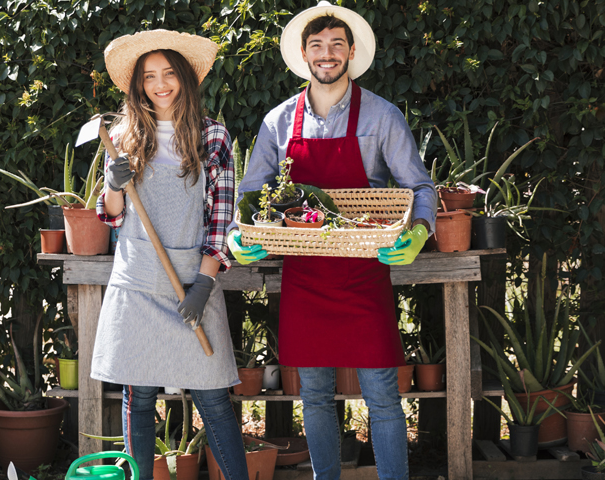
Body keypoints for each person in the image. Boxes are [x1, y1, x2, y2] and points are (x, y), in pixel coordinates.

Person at [227, 3, 437, 479]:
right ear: (304, 55)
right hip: (304, 276)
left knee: (383, 396)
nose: (327, 54)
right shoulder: (278, 123)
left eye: (336, 45)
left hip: (366, 271)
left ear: (351, 52)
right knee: (315, 397)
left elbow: (420, 187)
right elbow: (250, 195)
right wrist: (242, 236)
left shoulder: (383, 115)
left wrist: (419, 230)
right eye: (317, 46)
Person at [91, 30, 247, 480]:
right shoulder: (121, 137)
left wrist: (203, 284)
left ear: (185, 78)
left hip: (192, 280)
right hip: (138, 280)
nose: (160, 85)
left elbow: (222, 220)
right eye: (149, 77)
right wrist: (114, 184)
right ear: (139, 84)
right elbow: (114, 216)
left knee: (213, 396)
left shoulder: (212, 136)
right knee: (138, 396)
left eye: (169, 74)